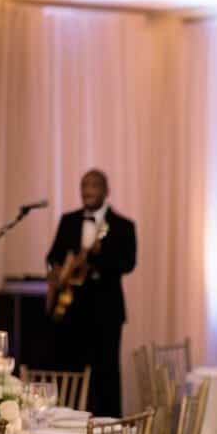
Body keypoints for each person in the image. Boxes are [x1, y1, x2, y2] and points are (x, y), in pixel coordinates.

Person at [46, 169, 136, 416]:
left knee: (106, 376)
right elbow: (52, 256)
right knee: (70, 376)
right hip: (71, 311)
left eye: (94, 186)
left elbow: (128, 263)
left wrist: (97, 258)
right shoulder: (68, 220)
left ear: (106, 191)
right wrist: (58, 270)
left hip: (106, 313)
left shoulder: (123, 226)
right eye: (84, 185)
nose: (88, 191)